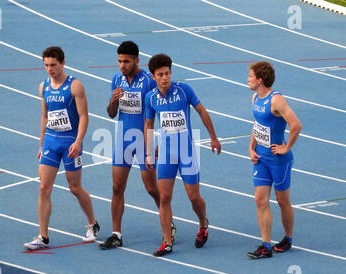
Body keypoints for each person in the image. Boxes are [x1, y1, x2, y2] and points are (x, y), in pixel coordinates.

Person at [99, 41, 177, 250]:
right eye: (119, 61)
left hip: (144, 140)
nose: (122, 65)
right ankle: (116, 234)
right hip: (123, 139)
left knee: (152, 188)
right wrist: (113, 100)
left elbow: (160, 112)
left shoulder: (149, 82)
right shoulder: (117, 80)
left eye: (126, 61)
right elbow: (111, 113)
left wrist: (159, 141)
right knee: (117, 187)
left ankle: (168, 225)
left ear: (136, 60)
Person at [144, 54, 221, 256]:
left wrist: (213, 137)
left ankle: (203, 223)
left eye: (167, 73)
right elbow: (149, 124)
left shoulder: (183, 90)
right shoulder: (151, 98)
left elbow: (202, 111)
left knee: (193, 196)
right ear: (153, 76)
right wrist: (149, 152)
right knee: (165, 198)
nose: (165, 78)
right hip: (167, 153)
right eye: (160, 75)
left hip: (186, 152)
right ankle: (167, 241)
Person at [24, 46, 99, 250]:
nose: (49, 69)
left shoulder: (75, 86)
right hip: (51, 141)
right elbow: (44, 117)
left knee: (74, 187)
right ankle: (43, 236)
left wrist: (78, 141)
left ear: (62, 63)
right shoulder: (43, 87)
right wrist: (41, 144)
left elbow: (84, 116)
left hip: (70, 142)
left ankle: (92, 223)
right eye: (46, 65)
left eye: (53, 65)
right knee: (43, 188)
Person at [246, 61, 302, 259]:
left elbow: (296, 125)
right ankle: (265, 245)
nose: (248, 79)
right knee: (260, 199)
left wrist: (286, 147)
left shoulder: (276, 100)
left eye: (250, 76)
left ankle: (287, 238)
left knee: (281, 200)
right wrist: (251, 147)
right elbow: (258, 124)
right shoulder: (255, 97)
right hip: (261, 158)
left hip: (279, 160)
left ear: (260, 80)